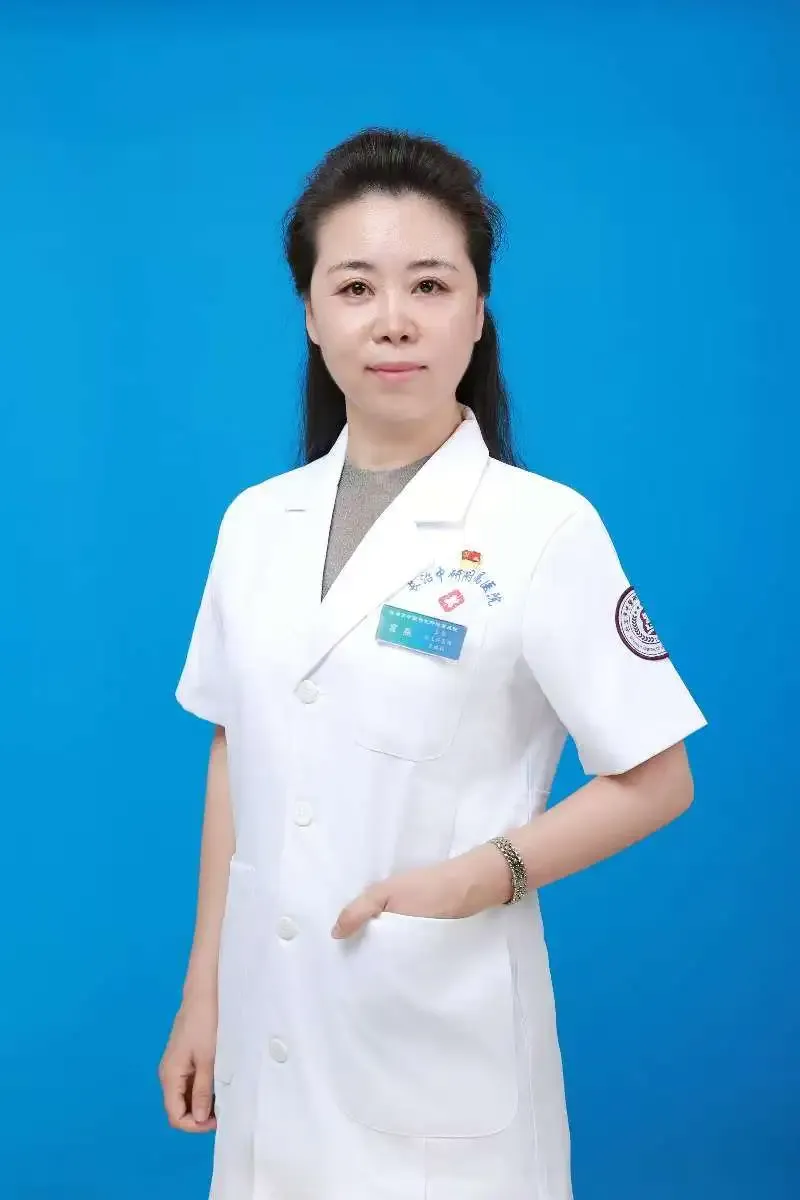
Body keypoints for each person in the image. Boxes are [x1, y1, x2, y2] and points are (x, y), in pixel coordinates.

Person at [158, 128, 707, 1200]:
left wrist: (477, 878)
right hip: (271, 1034)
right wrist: (204, 991)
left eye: (429, 284)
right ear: (311, 314)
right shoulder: (255, 524)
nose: (393, 320)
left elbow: (658, 777)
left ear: (477, 310)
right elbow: (237, 750)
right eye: (354, 287)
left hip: (436, 1042)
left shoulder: (542, 529)